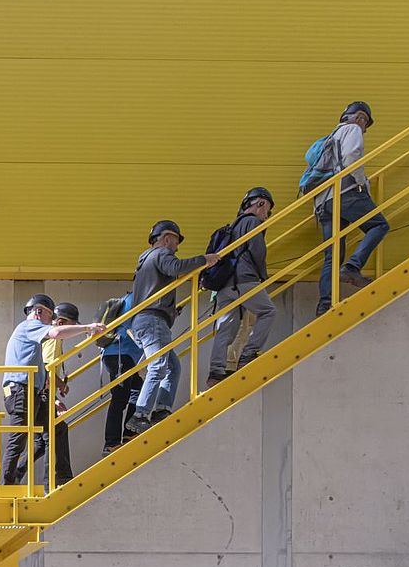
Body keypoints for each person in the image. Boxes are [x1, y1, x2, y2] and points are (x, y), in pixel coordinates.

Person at [124, 222, 221, 435]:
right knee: (159, 365)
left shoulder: (145, 262)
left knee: (173, 368)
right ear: (167, 238)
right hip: (153, 321)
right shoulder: (160, 253)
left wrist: (169, 310)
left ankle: (161, 410)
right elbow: (175, 267)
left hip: (148, 320)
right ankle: (140, 414)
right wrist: (204, 260)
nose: (176, 248)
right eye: (176, 241)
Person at [1, 294, 105, 486]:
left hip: (33, 392)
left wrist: (52, 397)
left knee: (56, 429)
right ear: (39, 312)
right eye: (51, 317)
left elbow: (43, 370)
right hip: (21, 392)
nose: (52, 322)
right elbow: (56, 334)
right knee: (18, 439)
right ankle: (6, 486)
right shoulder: (29, 326)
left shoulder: (34, 340)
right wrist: (87, 328)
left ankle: (59, 479)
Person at [313, 101, 389, 316]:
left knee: (333, 255)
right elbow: (351, 157)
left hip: (323, 202)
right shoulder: (352, 129)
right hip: (345, 193)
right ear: (357, 118)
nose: (364, 127)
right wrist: (360, 183)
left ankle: (325, 304)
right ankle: (352, 267)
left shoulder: (331, 137)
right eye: (364, 120)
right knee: (379, 224)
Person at [207, 187, 277, 387]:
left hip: (224, 285)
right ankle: (248, 354)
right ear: (260, 203)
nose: (267, 215)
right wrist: (263, 276)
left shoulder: (233, 226)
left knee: (224, 329)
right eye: (267, 210)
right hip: (244, 280)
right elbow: (257, 251)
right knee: (268, 312)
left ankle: (215, 372)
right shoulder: (252, 222)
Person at [20, 301, 82, 480]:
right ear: (61, 323)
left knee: (41, 441)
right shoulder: (54, 339)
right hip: (43, 391)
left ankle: (17, 472)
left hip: (37, 389)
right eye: (72, 325)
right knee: (58, 430)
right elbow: (47, 369)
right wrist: (55, 396)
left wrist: (60, 384)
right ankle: (59, 478)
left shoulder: (46, 336)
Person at [100, 291, 144, 454]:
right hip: (119, 354)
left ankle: (129, 433)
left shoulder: (133, 298)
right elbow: (129, 327)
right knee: (120, 398)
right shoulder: (135, 298)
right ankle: (111, 442)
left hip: (122, 355)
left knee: (137, 391)